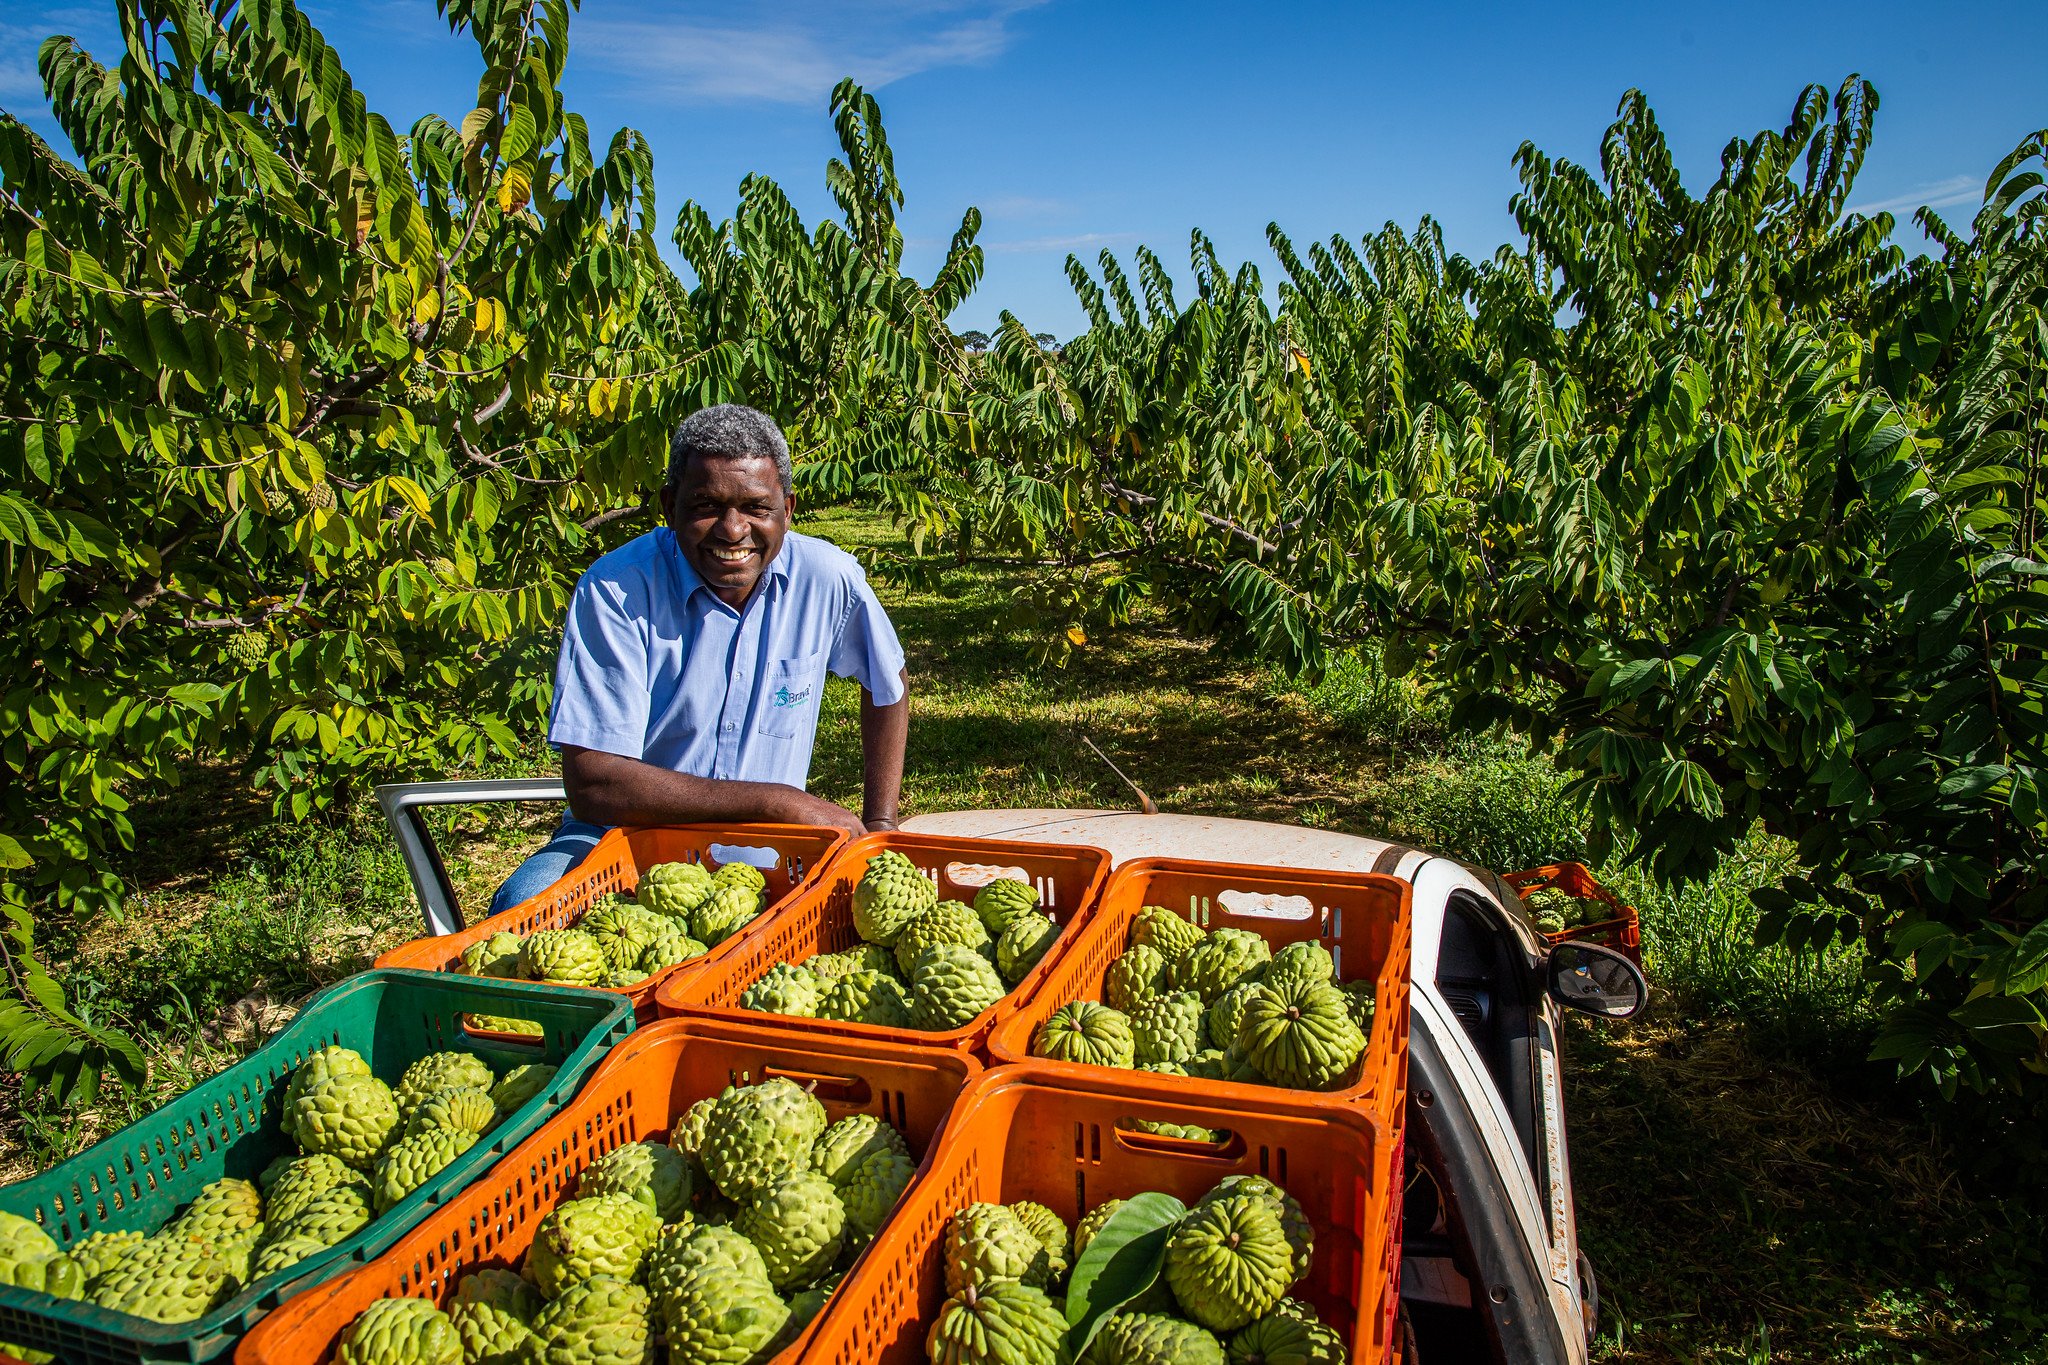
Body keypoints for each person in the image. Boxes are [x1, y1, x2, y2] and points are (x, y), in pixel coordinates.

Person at [489, 404, 908, 913]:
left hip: (769, 848)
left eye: (756, 507)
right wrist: (774, 802)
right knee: (525, 906)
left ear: (787, 508)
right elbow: (595, 783)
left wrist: (880, 823)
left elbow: (887, 681)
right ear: (670, 506)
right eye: (706, 506)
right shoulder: (618, 590)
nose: (732, 531)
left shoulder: (825, 578)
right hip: (624, 839)